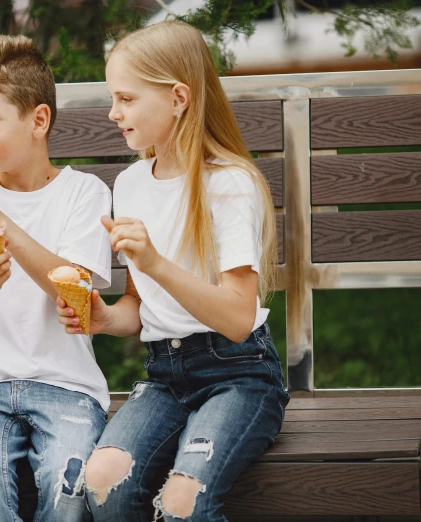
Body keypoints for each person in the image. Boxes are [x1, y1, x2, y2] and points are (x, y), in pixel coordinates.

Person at [56, 21, 290, 522]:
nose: (114, 113)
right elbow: (141, 311)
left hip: (239, 374)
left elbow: (237, 316)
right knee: (102, 481)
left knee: (183, 503)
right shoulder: (131, 182)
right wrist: (103, 319)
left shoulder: (229, 184)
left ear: (179, 97)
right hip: (166, 374)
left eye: (126, 98)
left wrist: (156, 263)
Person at [0, 35, 113, 522]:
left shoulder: (84, 194)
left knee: (68, 483)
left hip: (67, 385)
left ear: (38, 120)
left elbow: (71, 291)